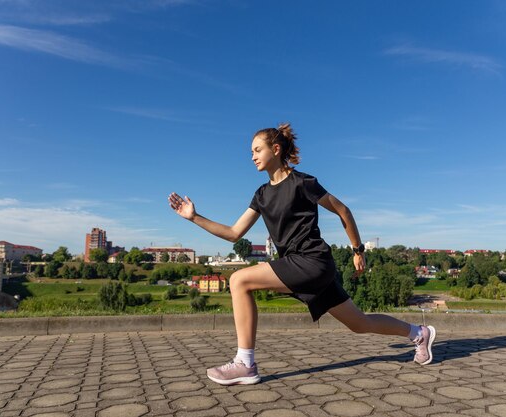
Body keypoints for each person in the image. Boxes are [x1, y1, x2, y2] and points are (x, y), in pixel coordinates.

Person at [168, 123, 435, 385]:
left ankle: (245, 364)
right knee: (359, 323)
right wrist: (194, 217)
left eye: (257, 150)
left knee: (239, 280)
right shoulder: (261, 195)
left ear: (275, 149)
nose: (252, 157)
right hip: (297, 265)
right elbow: (234, 233)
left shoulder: (303, 183)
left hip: (312, 261)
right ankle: (418, 333)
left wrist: (357, 250)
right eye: (250, 152)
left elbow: (343, 211)